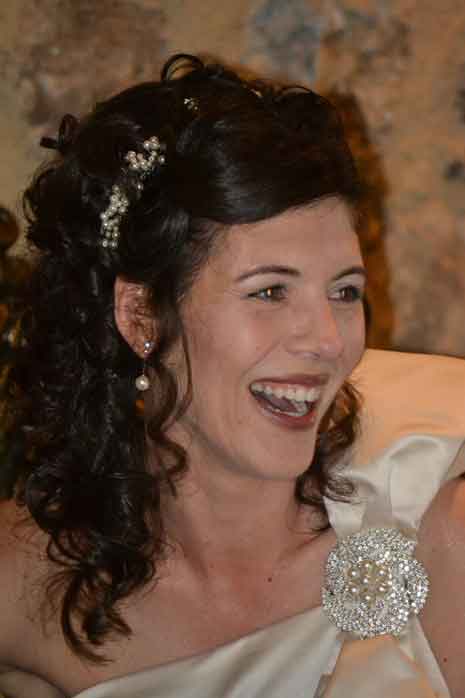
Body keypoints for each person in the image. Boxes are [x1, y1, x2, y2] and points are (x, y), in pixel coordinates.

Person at [0, 53, 464, 698]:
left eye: (344, 291)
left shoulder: (436, 528)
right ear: (141, 315)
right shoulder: (27, 583)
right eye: (270, 291)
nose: (329, 342)